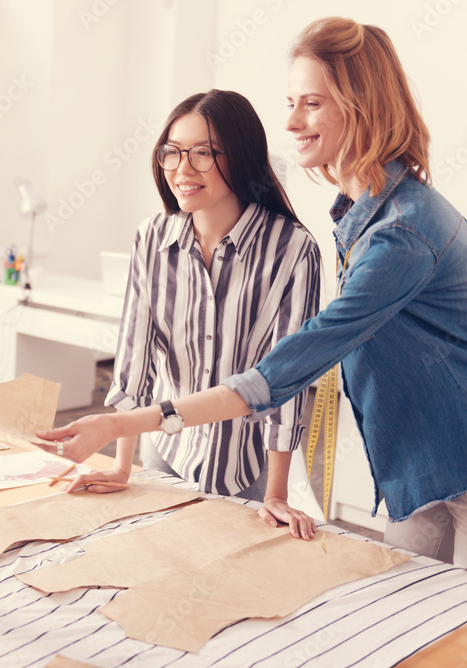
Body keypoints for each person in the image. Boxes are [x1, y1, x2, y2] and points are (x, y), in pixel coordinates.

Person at [38, 18, 467, 662]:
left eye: (313, 102)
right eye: (290, 103)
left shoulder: (400, 233)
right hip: (418, 468)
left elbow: (283, 372)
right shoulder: (359, 216)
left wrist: (130, 422)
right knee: (408, 639)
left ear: (364, 106)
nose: (294, 123)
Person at [68, 90, 321, 541]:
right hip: (166, 450)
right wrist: (123, 466)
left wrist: (277, 494)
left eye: (203, 153)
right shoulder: (152, 238)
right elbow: (134, 361)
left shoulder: (293, 250)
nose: (182, 170)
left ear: (240, 157)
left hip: (245, 465)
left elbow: (287, 383)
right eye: (172, 153)